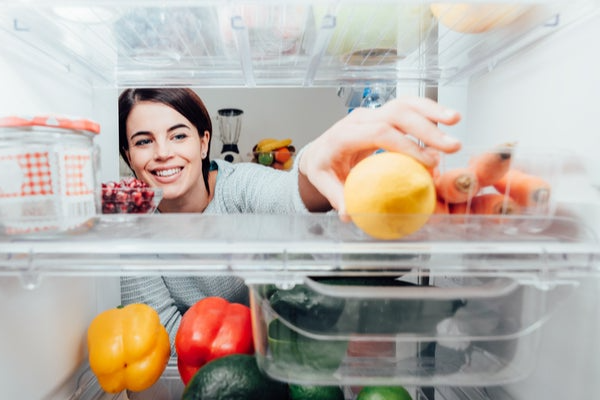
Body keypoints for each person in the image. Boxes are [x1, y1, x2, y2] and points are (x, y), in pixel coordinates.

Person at [118, 88, 462, 351]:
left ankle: (454, 314)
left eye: (178, 135)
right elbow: (156, 335)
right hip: (211, 369)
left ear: (204, 142)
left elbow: (286, 196)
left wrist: (314, 163)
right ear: (129, 157)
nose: (163, 152)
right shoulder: (133, 228)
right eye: (143, 141)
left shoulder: (238, 184)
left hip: (282, 351)